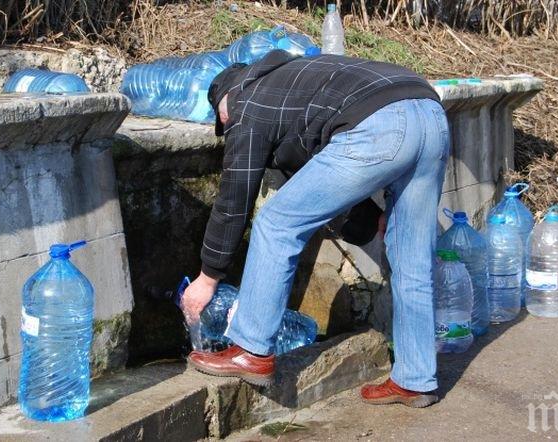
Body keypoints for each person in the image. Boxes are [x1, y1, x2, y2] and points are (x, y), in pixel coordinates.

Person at [181, 50, 449, 408]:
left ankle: (250, 348)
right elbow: (327, 183)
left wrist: (208, 278)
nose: (228, 129)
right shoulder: (294, 85)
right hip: (430, 114)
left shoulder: (245, 103)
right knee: (412, 260)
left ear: (224, 103)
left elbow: (234, 201)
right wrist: (371, 220)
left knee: (276, 223)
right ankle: (416, 379)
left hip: (383, 125)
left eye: (222, 122)